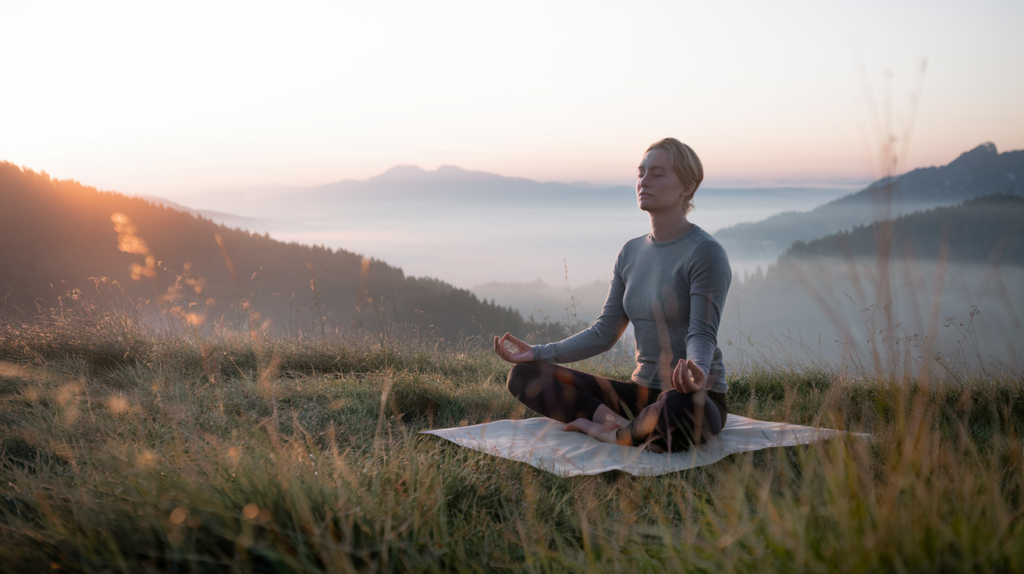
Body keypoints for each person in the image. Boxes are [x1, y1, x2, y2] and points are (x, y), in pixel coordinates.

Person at [493, 138, 731, 453]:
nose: (644, 181)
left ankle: (617, 435)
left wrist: (696, 371)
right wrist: (537, 353)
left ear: (687, 187)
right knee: (523, 375)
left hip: (692, 396)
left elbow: (701, 334)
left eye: (657, 174)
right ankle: (617, 425)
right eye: (641, 173)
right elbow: (605, 332)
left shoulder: (705, 253)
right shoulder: (631, 252)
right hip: (639, 395)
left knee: (678, 407)